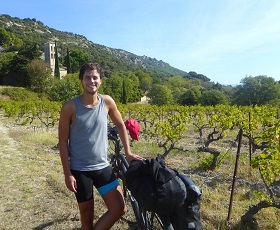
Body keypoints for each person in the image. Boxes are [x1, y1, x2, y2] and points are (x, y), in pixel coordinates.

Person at [58, 61, 143, 230]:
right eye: (87, 78)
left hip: (102, 167)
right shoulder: (69, 107)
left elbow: (120, 125)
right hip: (80, 170)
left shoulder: (107, 102)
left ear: (101, 80)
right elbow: (62, 142)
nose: (91, 81)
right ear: (81, 80)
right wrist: (68, 174)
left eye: (95, 77)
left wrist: (128, 152)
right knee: (87, 219)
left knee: (119, 208)